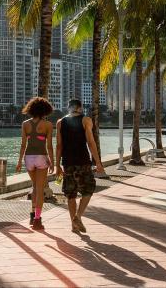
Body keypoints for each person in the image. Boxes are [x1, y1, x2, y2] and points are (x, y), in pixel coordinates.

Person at [55, 99, 105, 234]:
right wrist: (98, 162)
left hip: (67, 163)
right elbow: (90, 142)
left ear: (69, 108)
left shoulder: (60, 123)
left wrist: (57, 165)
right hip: (83, 161)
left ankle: (73, 225)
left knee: (70, 194)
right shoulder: (86, 120)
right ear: (80, 108)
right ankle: (77, 217)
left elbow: (59, 146)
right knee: (88, 190)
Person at [15, 96, 54, 230]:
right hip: (41, 158)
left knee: (34, 187)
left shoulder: (25, 124)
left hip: (29, 158)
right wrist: (53, 162)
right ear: (45, 110)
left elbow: (22, 145)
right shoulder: (48, 125)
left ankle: (32, 214)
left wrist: (19, 161)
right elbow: (49, 146)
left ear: (30, 109)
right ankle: (37, 219)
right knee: (39, 189)